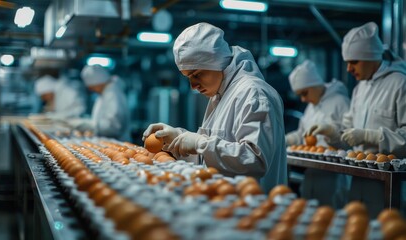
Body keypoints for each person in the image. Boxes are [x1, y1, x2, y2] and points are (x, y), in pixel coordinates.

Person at [142, 22, 287, 192]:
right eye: (188, 77)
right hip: (225, 203)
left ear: (216, 62)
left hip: (254, 207)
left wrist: (199, 143)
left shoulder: (254, 93)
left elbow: (255, 160)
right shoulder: (220, 94)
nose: (193, 86)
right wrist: (178, 137)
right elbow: (215, 157)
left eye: (196, 74)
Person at [306, 22, 406, 217]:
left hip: (389, 186)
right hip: (358, 178)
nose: (349, 69)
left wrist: (372, 136)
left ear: (371, 57)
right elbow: (348, 133)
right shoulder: (360, 89)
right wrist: (332, 132)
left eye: (354, 61)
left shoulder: (399, 84)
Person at [286, 60, 350, 206]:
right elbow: (302, 134)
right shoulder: (311, 107)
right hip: (312, 172)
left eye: (304, 93)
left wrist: (332, 134)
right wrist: (287, 140)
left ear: (315, 84)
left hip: (334, 176)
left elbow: (350, 141)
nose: (303, 99)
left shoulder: (340, 102)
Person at [78, 65, 131, 140]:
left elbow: (114, 127)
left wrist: (92, 125)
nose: (91, 90)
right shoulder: (104, 93)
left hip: (118, 143)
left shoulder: (113, 93)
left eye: (92, 87)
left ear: (99, 82)